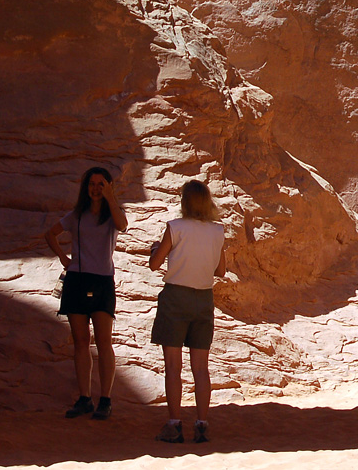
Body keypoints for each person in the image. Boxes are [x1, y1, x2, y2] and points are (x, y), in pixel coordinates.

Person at [43, 166, 129, 421]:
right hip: (77, 279)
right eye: (92, 184)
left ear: (108, 187)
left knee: (103, 342)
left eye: (101, 184)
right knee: (80, 341)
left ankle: (106, 399)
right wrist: (62, 257)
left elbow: (123, 225)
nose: (95, 189)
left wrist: (111, 197)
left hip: (102, 280)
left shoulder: (113, 214)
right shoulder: (76, 215)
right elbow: (51, 234)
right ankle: (84, 398)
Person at [148, 179, 226, 444]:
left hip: (176, 298)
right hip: (204, 298)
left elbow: (155, 264)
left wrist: (155, 251)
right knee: (201, 368)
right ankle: (202, 424)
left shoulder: (175, 227)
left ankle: (174, 425)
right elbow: (221, 271)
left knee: (173, 366)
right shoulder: (218, 231)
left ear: (184, 202)